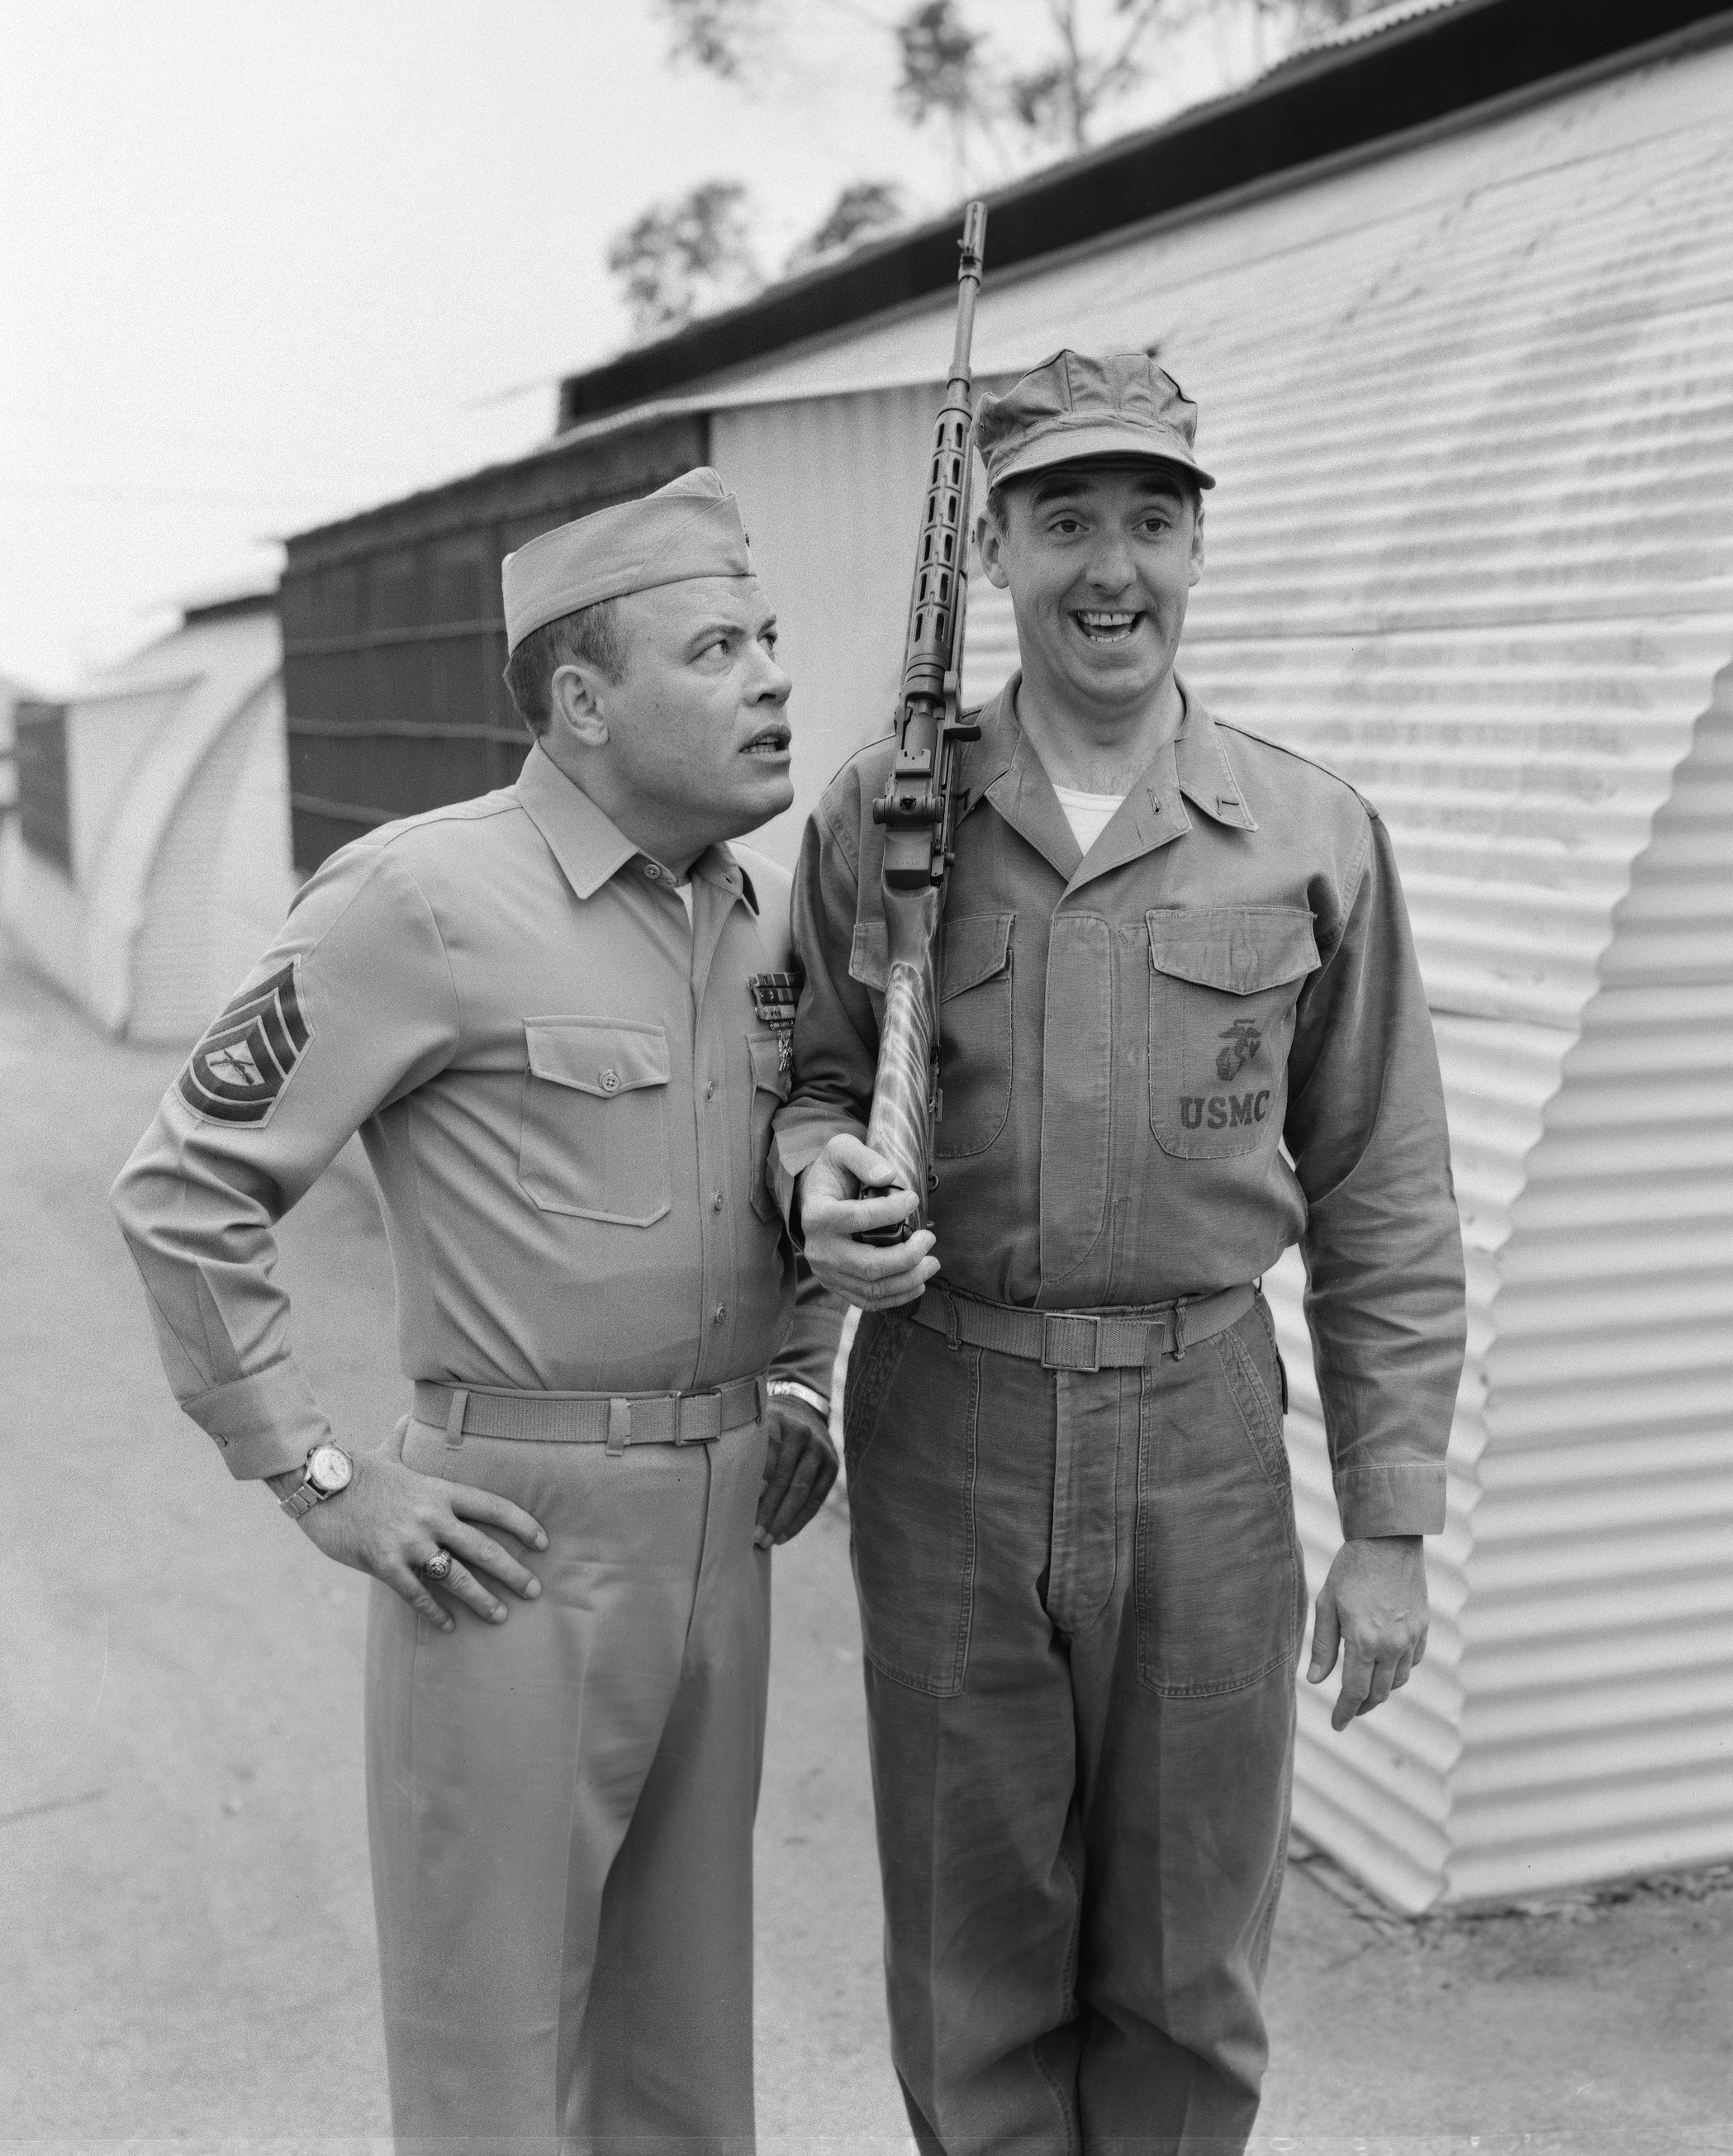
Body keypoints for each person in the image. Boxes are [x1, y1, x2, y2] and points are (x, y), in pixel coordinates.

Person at [774, 351, 1467, 2154]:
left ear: (1193, 550)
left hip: (1202, 1436)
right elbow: (805, 1078)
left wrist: (1387, 1525)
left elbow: (1382, 1188)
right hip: (951, 1424)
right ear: (994, 549)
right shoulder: (884, 814)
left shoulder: (1306, 836)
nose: (1112, 567)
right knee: (969, 1954)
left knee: (1183, 1967)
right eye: (1064, 520)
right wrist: (814, 1184)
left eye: (1150, 521)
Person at [112, 467, 843, 2154]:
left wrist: (801, 1382)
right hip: (516, 1543)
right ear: (580, 702)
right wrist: (313, 1473)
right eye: (717, 645)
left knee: (684, 2053)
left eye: (772, 639)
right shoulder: (418, 901)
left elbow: (778, 1183)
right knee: (492, 2052)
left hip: (722, 1530)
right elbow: (183, 1187)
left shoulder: (760, 918)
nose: (773, 678)